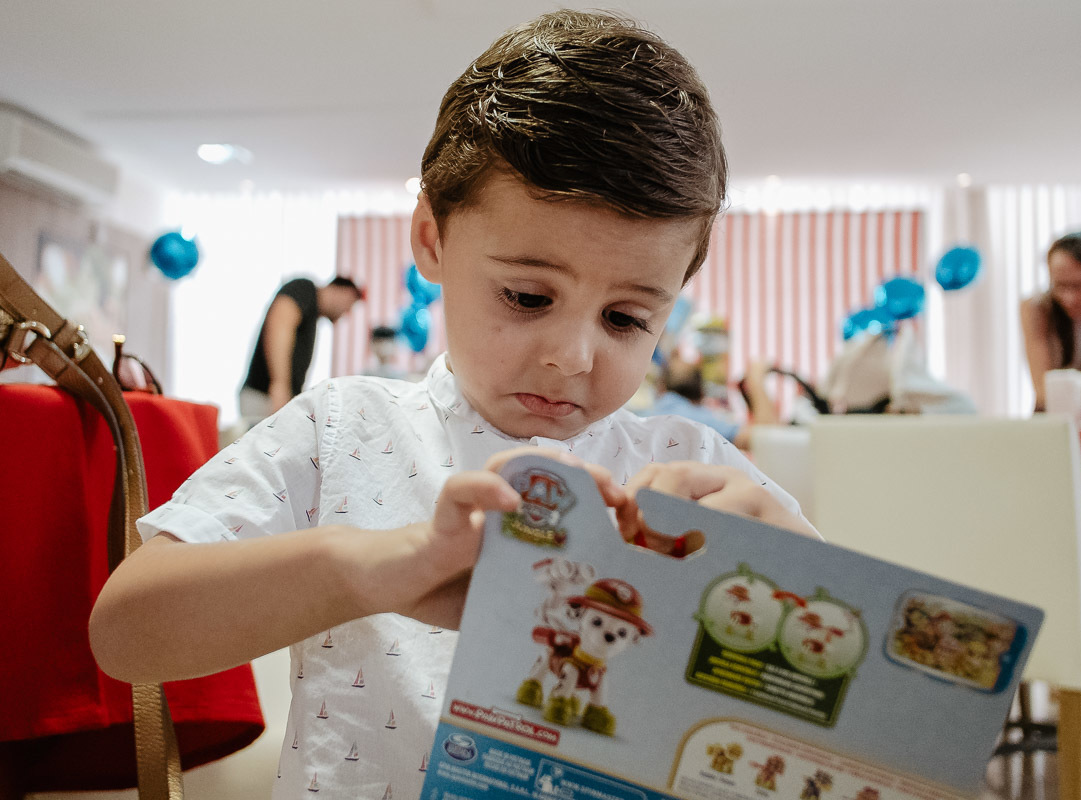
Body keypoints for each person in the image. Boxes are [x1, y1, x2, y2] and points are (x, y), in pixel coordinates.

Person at [89, 12, 819, 798]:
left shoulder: (694, 469)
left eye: (626, 318)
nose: (571, 357)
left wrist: (797, 576)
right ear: (432, 240)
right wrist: (378, 569)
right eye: (528, 295)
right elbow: (126, 632)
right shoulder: (341, 429)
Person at [239, 275, 366, 425]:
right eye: (349, 306)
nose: (345, 313)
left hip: (274, 398)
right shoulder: (304, 289)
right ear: (345, 293)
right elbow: (280, 322)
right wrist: (279, 386)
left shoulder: (311, 311)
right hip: (264, 397)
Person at [1019, 231, 1081, 412]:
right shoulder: (1037, 309)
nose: (1070, 298)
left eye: (1080, 285)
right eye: (1060, 285)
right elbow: (1044, 393)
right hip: (1054, 421)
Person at [646, 354, 779, 448]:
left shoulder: (655, 412)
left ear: (661, 387)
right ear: (702, 392)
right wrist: (756, 380)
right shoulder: (692, 417)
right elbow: (768, 438)